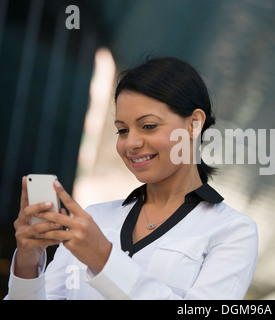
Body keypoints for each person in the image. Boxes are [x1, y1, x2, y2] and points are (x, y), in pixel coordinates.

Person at [5, 57, 258, 299]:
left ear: (194, 124)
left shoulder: (232, 231)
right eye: (122, 130)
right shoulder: (94, 219)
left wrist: (103, 259)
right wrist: (28, 264)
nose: (131, 144)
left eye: (148, 126)